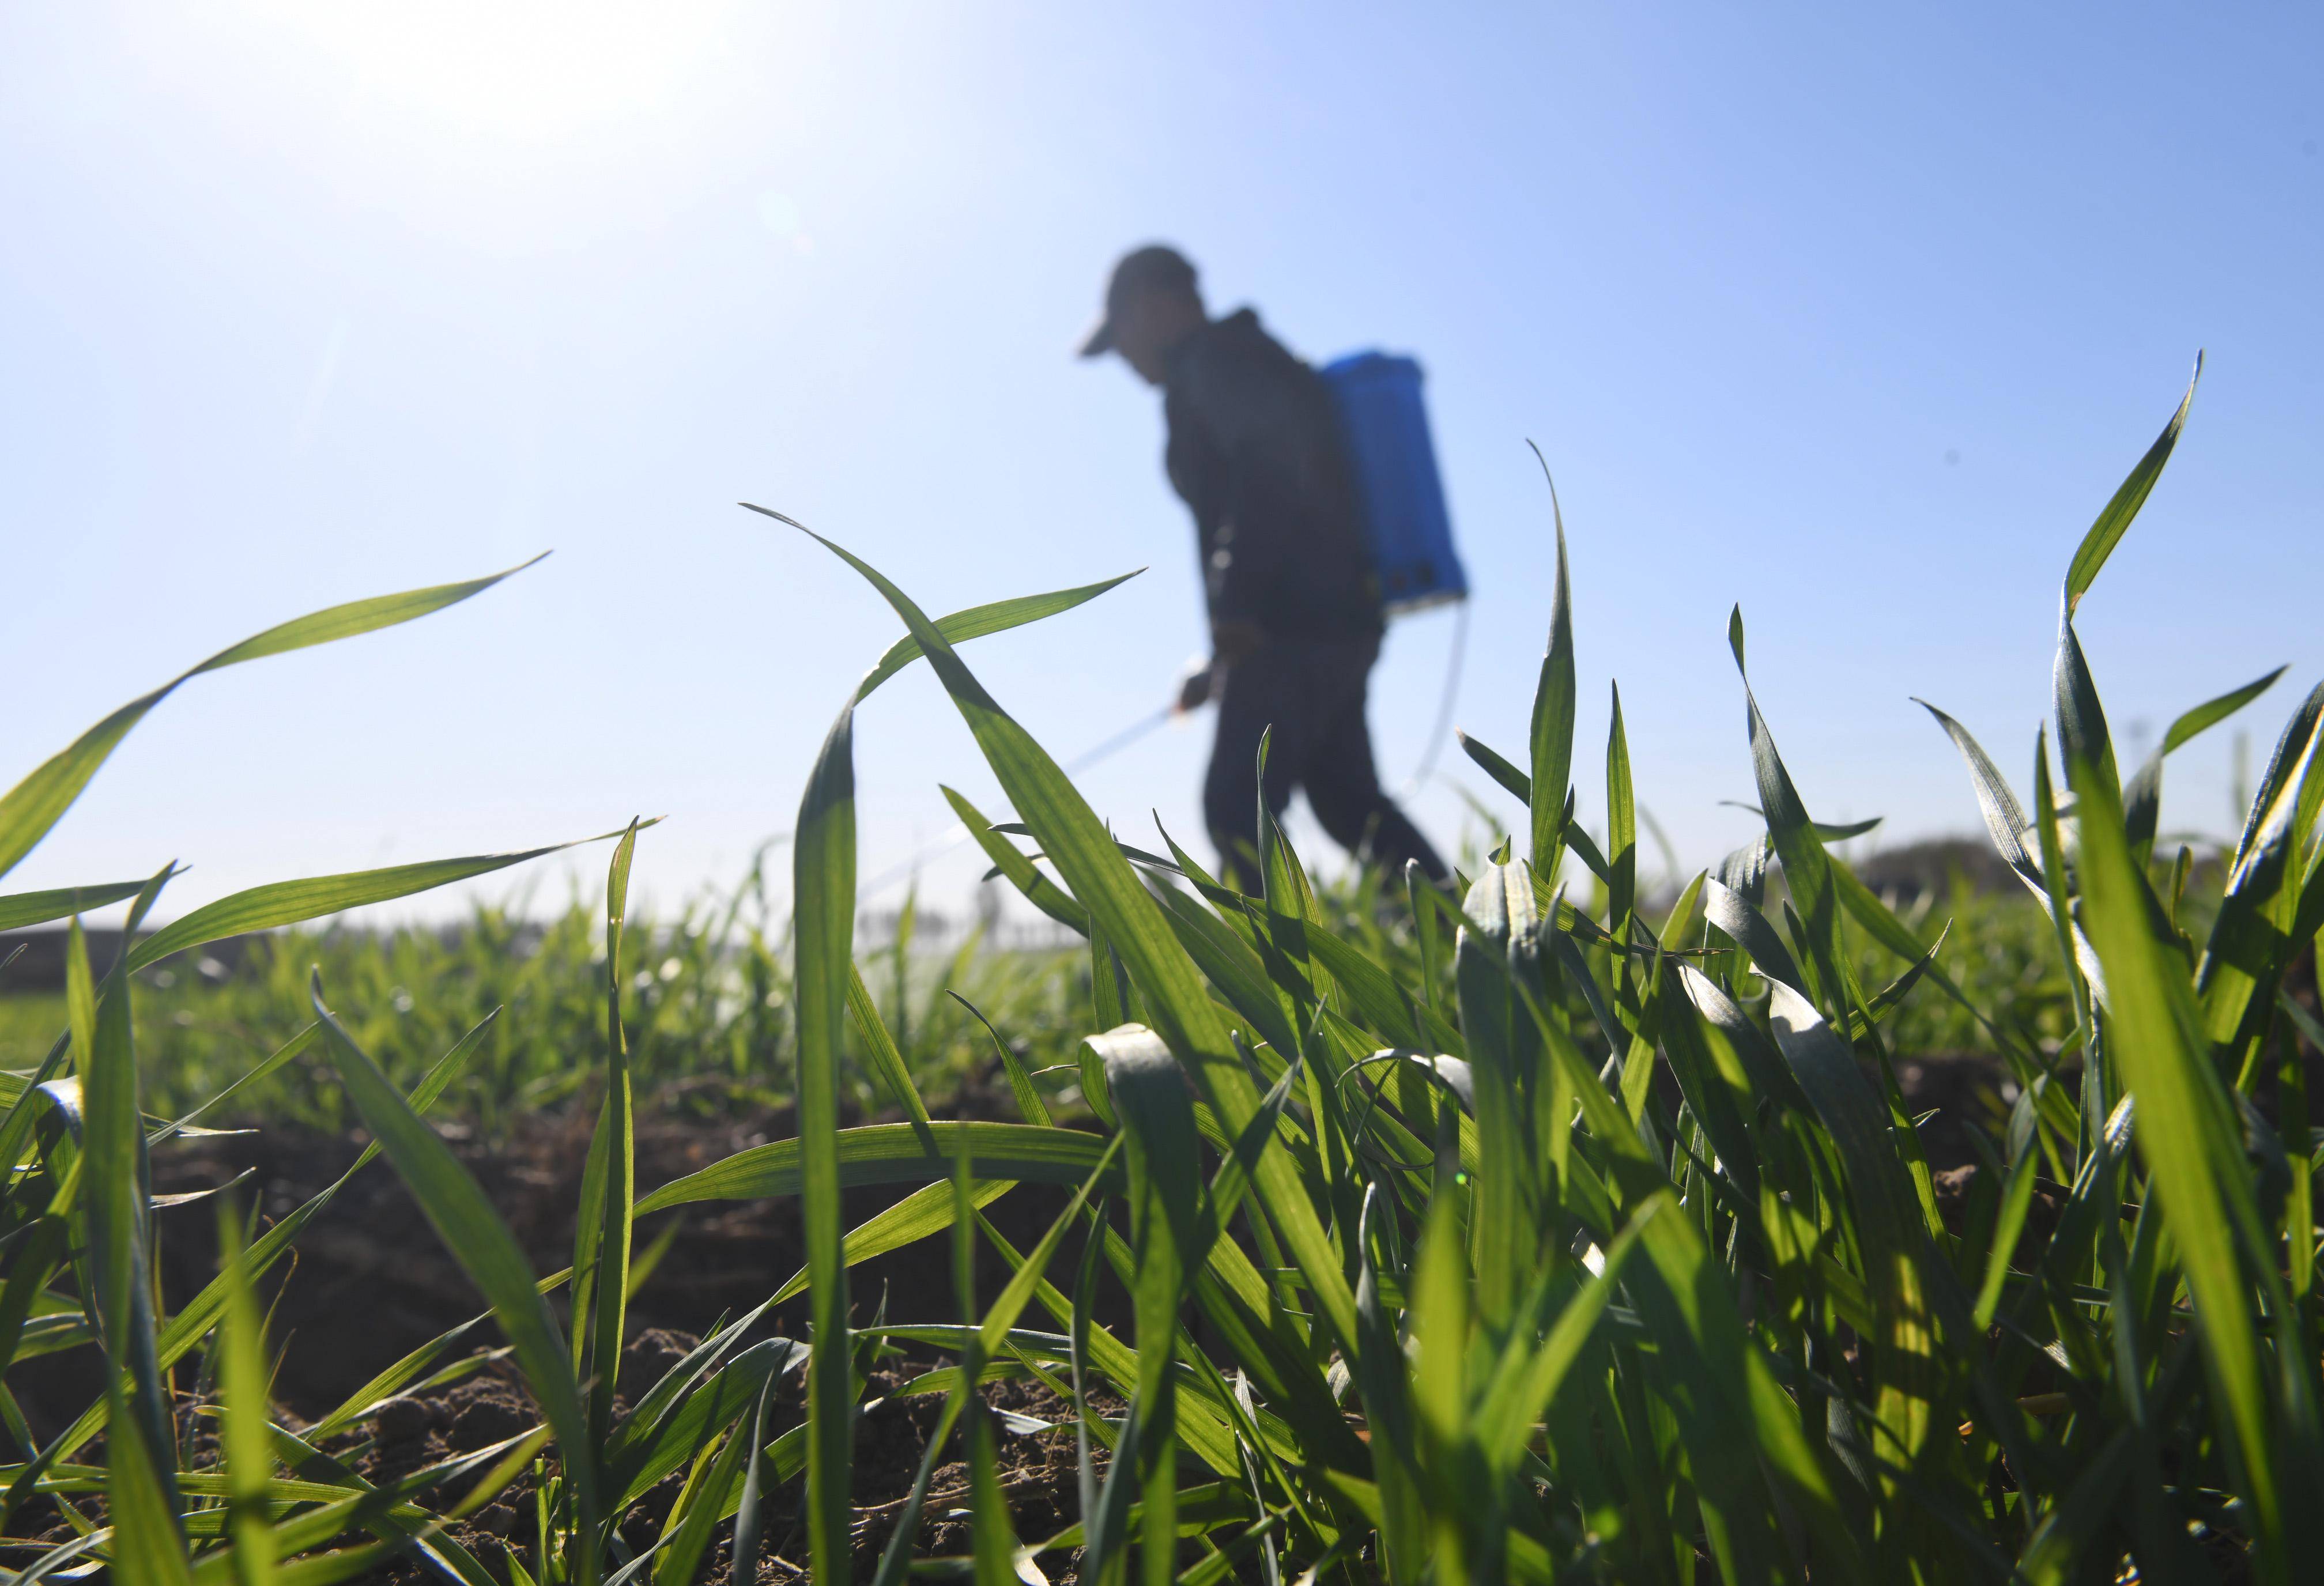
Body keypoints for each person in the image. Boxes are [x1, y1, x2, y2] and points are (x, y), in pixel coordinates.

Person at [1080, 244, 1447, 890]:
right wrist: (1223, 654)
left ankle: (1274, 988)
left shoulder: (1214, 362)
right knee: (1348, 803)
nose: (1125, 358)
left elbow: (1271, 472)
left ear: (1153, 305)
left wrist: (1238, 611)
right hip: (1333, 618)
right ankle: (1483, 949)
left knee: (1237, 808)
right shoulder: (1247, 359)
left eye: (1122, 335)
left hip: (1295, 629)